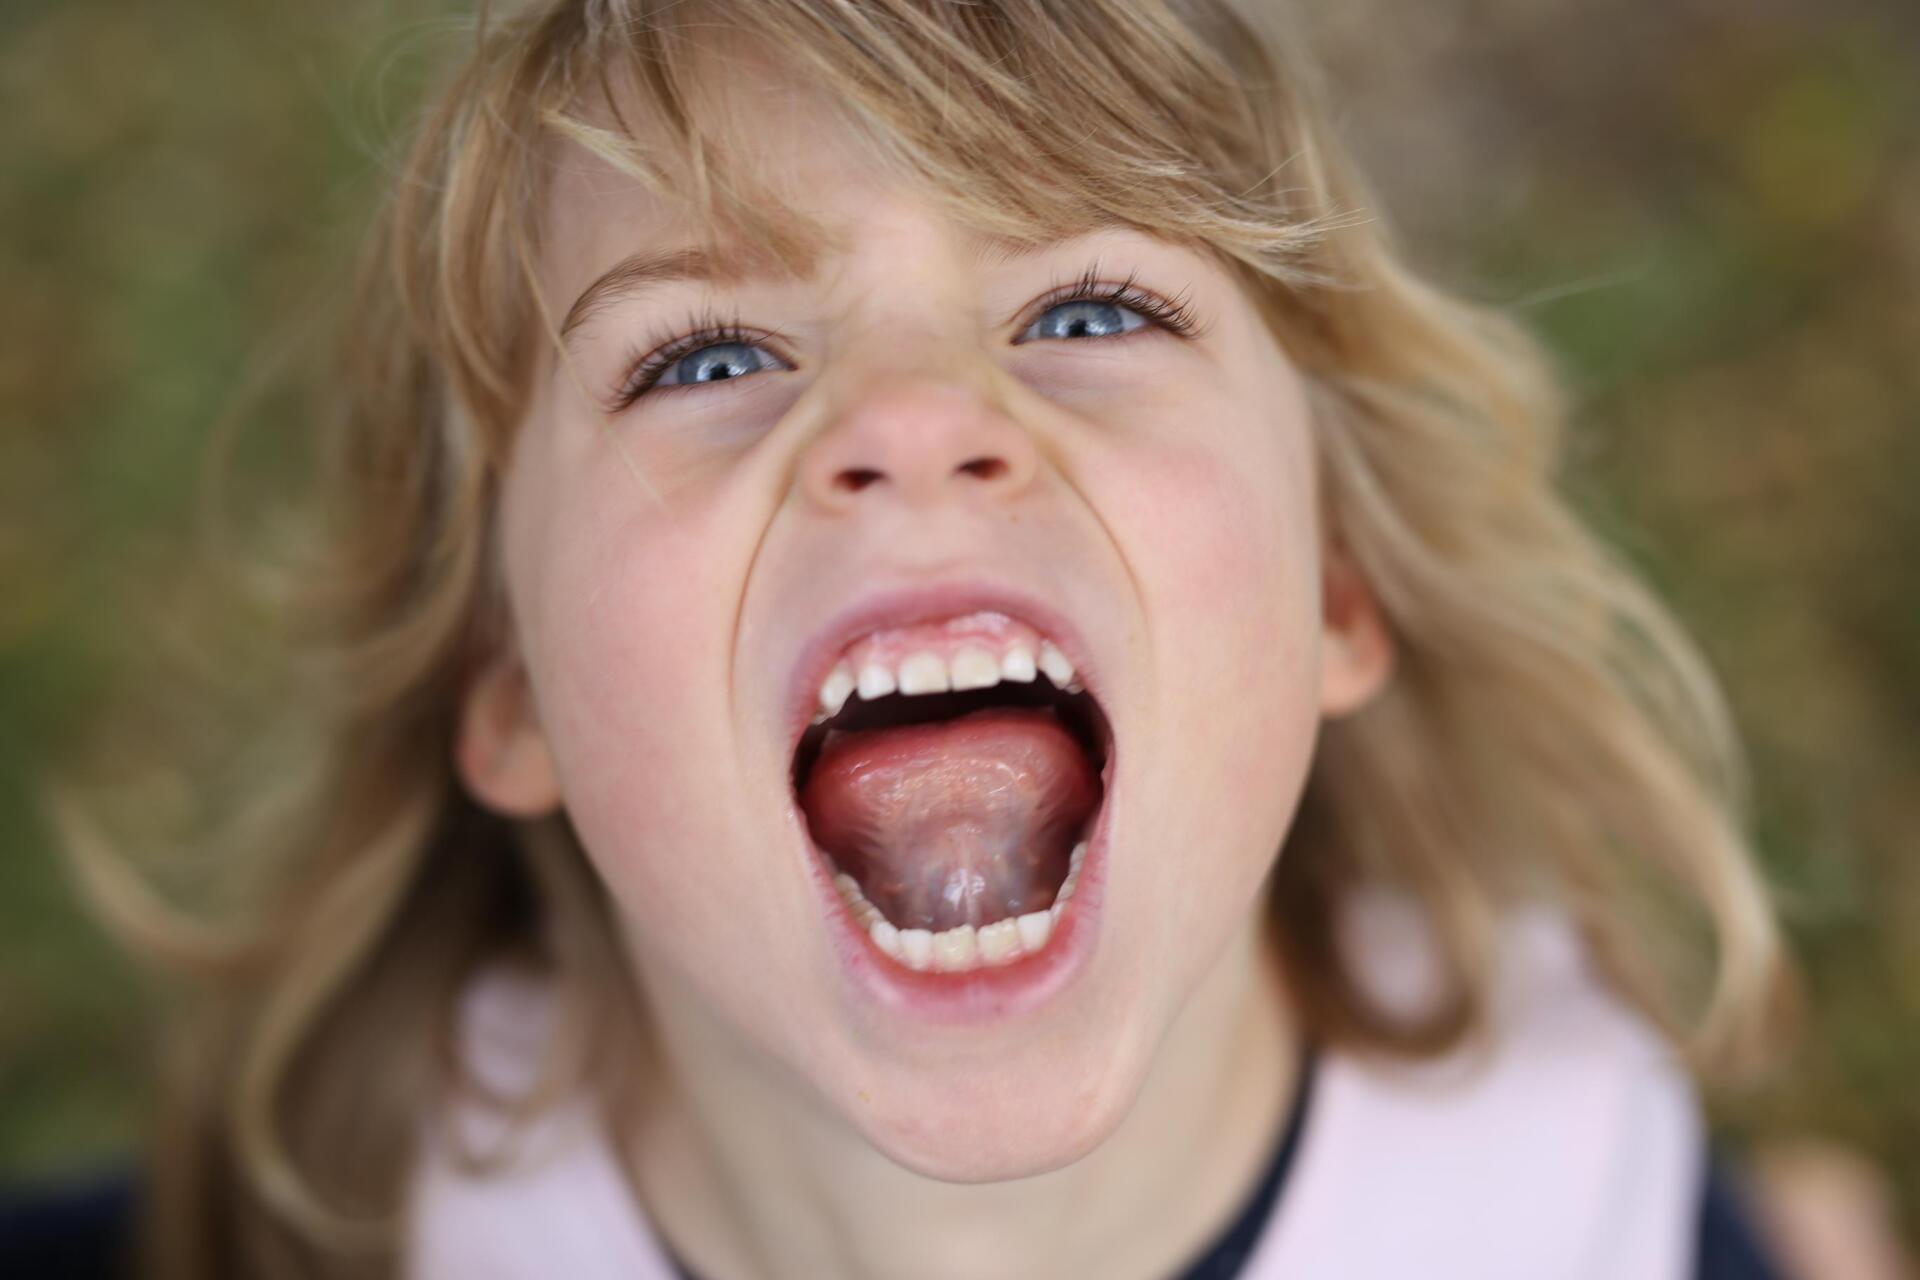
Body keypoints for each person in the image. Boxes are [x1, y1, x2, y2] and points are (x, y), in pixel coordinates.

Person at [25, 1, 1811, 1276]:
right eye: (707, 358)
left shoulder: (1591, 1208)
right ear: (512, 683)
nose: (916, 415)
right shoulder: (310, 1229)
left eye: (1092, 305)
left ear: (1338, 583)